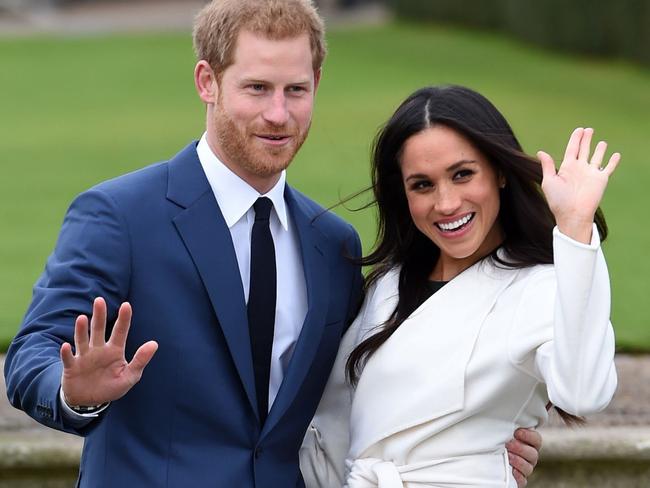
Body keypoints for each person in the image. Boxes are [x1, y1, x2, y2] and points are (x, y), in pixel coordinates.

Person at [4, 2, 540, 486]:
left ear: (317, 83)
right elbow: (31, 354)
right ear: (207, 81)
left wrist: (475, 444)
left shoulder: (332, 244)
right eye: (257, 88)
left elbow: (366, 388)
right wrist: (72, 393)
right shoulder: (119, 215)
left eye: (296, 90)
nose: (279, 115)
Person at [300, 85, 619, 487]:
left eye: (463, 174)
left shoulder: (540, 287)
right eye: (422, 185)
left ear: (499, 171)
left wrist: (574, 228)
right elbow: (337, 424)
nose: (446, 203)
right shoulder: (388, 284)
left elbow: (585, 393)